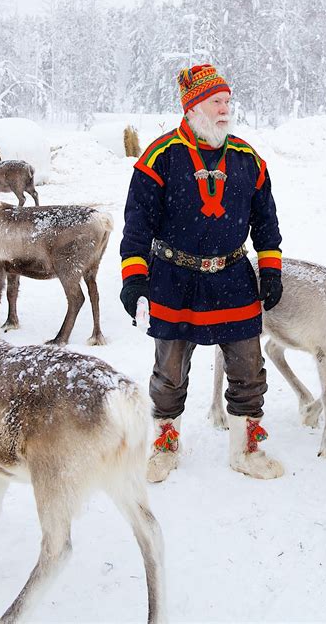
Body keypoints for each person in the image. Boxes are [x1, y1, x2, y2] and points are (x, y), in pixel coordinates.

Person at [120, 64, 284, 483]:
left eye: (228, 101)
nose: (226, 109)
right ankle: (164, 446)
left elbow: (266, 222)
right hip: (175, 281)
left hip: (232, 279)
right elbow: (137, 225)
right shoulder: (159, 157)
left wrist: (270, 269)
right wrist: (134, 279)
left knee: (249, 368)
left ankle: (246, 449)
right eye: (217, 102)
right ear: (194, 107)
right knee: (169, 373)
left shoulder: (249, 160)